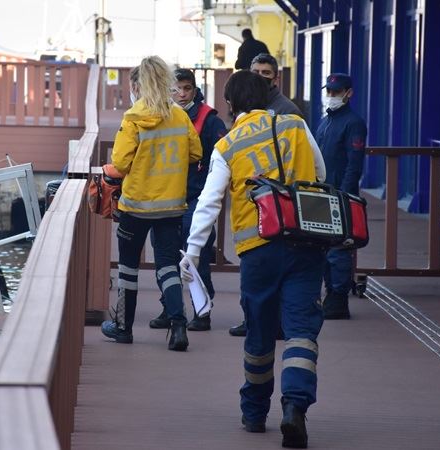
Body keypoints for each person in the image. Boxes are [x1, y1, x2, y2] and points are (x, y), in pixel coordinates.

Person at [180, 71, 326, 448]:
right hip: (306, 241)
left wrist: (193, 252)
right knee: (300, 329)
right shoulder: (295, 124)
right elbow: (322, 173)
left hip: (259, 251)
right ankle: (295, 407)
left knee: (260, 333)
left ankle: (255, 413)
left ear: (231, 105)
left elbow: (209, 202)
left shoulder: (228, 146)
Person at [101, 56, 203, 352]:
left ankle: (123, 328)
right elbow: (196, 153)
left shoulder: (134, 117)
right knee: (167, 265)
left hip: (135, 205)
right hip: (171, 206)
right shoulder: (179, 115)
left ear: (140, 85)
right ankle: (179, 325)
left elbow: (120, 163)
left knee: (129, 268)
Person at [228, 53, 322, 337]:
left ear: (276, 77)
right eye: (255, 71)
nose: (259, 76)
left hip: (281, 211)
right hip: (277, 212)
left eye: (265, 72)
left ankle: (268, 326)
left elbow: (310, 161)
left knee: (271, 277)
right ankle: (272, 325)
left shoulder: (288, 112)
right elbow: (321, 170)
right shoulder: (259, 108)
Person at [148, 68, 228, 332]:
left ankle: (201, 312)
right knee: (165, 255)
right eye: (176, 89)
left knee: (198, 254)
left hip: (196, 196)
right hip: (167, 195)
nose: (181, 94)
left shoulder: (210, 120)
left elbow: (220, 161)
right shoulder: (161, 115)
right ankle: (169, 308)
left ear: (195, 89)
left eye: (187, 88)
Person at [315, 73, 367, 320]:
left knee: (338, 248)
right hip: (322, 193)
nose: (332, 96)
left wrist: (344, 196)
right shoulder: (325, 121)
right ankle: (331, 294)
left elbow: (354, 165)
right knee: (324, 247)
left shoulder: (353, 123)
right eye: (330, 92)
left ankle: (338, 299)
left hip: (340, 195)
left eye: (337, 92)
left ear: (349, 93)